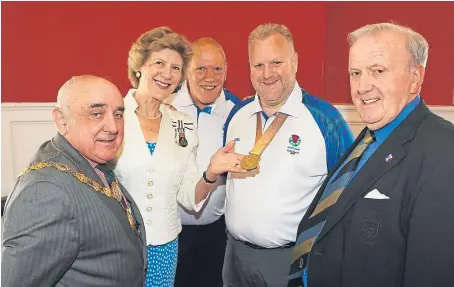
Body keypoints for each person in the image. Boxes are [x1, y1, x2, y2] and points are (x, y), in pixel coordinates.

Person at [290, 22, 454, 287]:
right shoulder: (369, 135)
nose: (362, 86)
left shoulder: (444, 152)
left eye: (378, 71)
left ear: (415, 78)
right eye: (355, 73)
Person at [222, 23, 354, 287]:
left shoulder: (326, 120)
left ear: (294, 62)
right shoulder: (237, 115)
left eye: (276, 62)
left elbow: (349, 193)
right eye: (258, 65)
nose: (267, 73)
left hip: (290, 261)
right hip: (235, 256)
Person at [113, 27, 245, 287]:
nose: (167, 73)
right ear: (140, 66)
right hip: (117, 245)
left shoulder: (181, 124)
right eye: (159, 63)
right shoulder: (114, 114)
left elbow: (188, 195)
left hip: (165, 247)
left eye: (175, 68)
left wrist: (211, 172)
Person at [1, 75, 146, 287]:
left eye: (118, 114)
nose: (113, 127)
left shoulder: (91, 158)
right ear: (62, 120)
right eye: (96, 114)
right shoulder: (45, 191)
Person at [167, 37, 240, 287]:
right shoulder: (167, 107)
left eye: (217, 69)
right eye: (201, 68)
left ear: (226, 71)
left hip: (216, 234)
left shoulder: (238, 113)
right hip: (170, 233)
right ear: (187, 70)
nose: (209, 77)